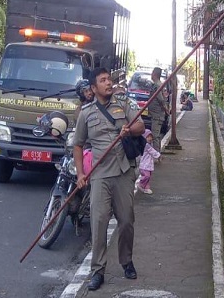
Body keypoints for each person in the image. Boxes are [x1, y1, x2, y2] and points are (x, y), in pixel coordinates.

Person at [72, 68, 145, 289]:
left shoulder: (124, 103)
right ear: (93, 88)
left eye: (109, 79)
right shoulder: (86, 113)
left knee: (126, 221)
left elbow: (141, 126)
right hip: (100, 175)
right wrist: (80, 174)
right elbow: (78, 144)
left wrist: (129, 129)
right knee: (99, 222)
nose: (108, 83)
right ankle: (97, 271)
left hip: (123, 172)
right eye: (102, 81)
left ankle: (126, 261)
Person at [147, 67, 171, 147]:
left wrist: (166, 110)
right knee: (155, 135)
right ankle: (157, 155)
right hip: (156, 114)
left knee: (155, 136)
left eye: (152, 72)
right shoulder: (157, 85)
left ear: (155, 74)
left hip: (157, 115)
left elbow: (161, 100)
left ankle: (157, 156)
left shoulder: (157, 86)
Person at [134, 129, 161, 194]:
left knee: (148, 177)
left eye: (150, 137)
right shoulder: (146, 146)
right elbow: (153, 152)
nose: (150, 138)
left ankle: (146, 187)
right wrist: (158, 155)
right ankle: (141, 184)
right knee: (147, 176)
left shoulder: (148, 145)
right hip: (144, 165)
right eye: (148, 137)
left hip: (148, 165)